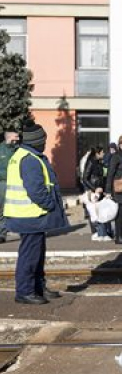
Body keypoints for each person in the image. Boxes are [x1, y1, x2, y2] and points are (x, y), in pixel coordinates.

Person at [4, 123, 68, 304]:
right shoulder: (30, 159)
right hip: (30, 216)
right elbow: (36, 189)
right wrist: (49, 205)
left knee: (36, 254)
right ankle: (25, 291)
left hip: (31, 215)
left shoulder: (26, 155)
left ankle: (38, 288)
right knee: (30, 255)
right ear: (37, 141)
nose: (45, 143)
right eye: (43, 140)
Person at [82, 147, 111, 241]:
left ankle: (103, 232)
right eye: (102, 152)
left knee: (101, 211)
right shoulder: (91, 162)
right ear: (97, 153)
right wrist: (94, 188)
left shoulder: (100, 162)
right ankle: (97, 232)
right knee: (95, 212)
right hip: (94, 191)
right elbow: (85, 178)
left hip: (100, 189)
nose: (103, 154)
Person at [0, 130, 20, 243]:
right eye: (16, 136)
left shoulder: (17, 150)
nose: (18, 139)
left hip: (15, 184)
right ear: (9, 137)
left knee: (7, 210)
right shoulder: (0, 149)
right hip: (2, 183)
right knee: (2, 210)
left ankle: (2, 234)